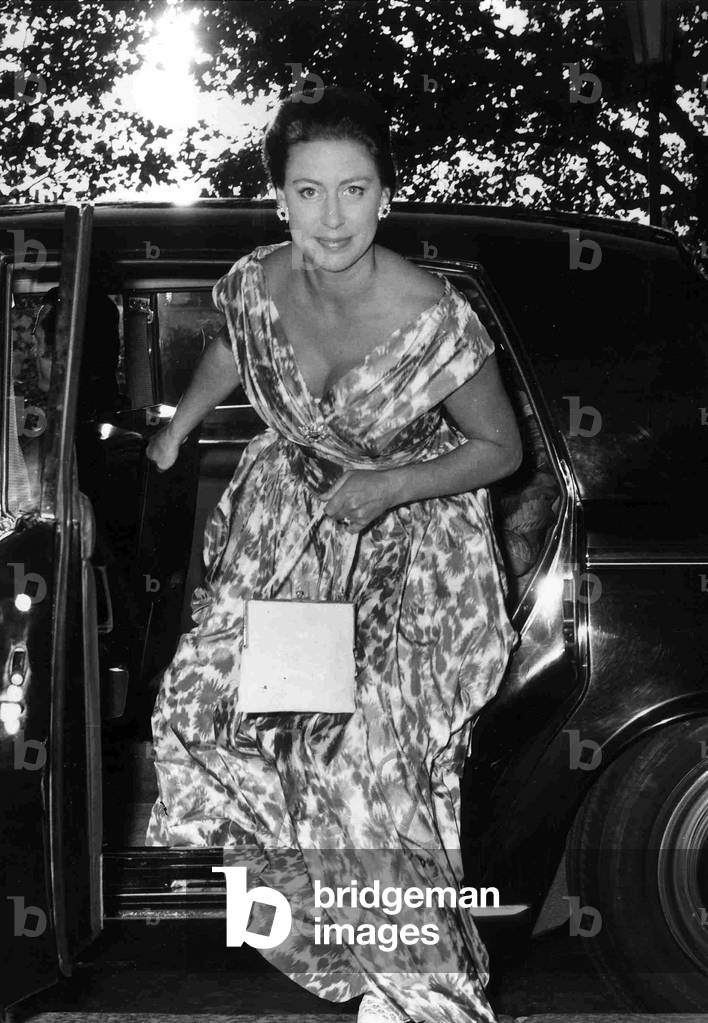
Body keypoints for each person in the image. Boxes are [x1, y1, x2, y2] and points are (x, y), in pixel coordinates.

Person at [144, 87, 522, 1023]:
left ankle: (426, 994)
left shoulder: (432, 312)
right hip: (294, 546)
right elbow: (236, 348)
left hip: (415, 553)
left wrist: (387, 484)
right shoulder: (257, 281)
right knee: (204, 722)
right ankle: (350, 957)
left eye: (354, 191)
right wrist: (176, 429)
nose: (333, 217)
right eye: (309, 192)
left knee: (366, 769)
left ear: (385, 195)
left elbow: (500, 449)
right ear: (279, 198)